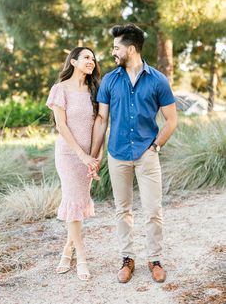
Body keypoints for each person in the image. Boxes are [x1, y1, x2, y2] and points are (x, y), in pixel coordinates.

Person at [90, 24, 177, 284]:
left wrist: (156, 146)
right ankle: (127, 259)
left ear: (131, 49)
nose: (113, 52)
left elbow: (171, 120)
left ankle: (155, 259)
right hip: (117, 154)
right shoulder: (109, 80)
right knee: (122, 210)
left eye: (116, 48)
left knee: (153, 209)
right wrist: (94, 156)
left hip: (146, 153)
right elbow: (102, 120)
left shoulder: (158, 80)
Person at [46, 47, 101, 281]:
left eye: (93, 58)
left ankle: (67, 249)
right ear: (74, 61)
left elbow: (100, 124)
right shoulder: (60, 89)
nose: (92, 61)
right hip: (69, 156)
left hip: (88, 157)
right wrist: (81, 156)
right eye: (86, 57)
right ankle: (82, 257)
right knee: (72, 202)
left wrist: (95, 158)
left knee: (78, 204)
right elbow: (62, 126)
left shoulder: (94, 90)